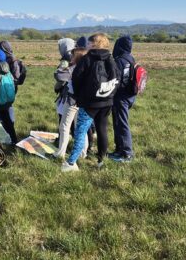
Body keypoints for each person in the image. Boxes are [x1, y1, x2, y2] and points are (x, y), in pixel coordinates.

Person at [65, 33, 119, 171]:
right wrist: (110, 95)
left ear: (94, 44)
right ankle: (101, 161)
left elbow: (76, 79)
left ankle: (71, 163)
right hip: (107, 102)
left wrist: (78, 97)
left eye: (88, 43)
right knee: (102, 131)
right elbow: (117, 79)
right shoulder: (111, 59)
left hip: (89, 103)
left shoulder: (86, 59)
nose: (86, 46)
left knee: (80, 131)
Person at [54, 41, 88, 160]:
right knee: (81, 128)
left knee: (64, 126)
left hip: (72, 101)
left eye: (73, 56)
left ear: (77, 57)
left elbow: (58, 75)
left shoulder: (73, 68)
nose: (71, 57)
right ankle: (83, 153)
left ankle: (60, 153)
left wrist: (66, 67)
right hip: (85, 102)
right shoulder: (88, 68)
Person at [110, 36, 136, 162]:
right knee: (119, 123)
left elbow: (118, 81)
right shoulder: (130, 58)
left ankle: (126, 153)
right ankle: (119, 150)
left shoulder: (120, 60)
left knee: (121, 123)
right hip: (129, 95)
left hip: (121, 97)